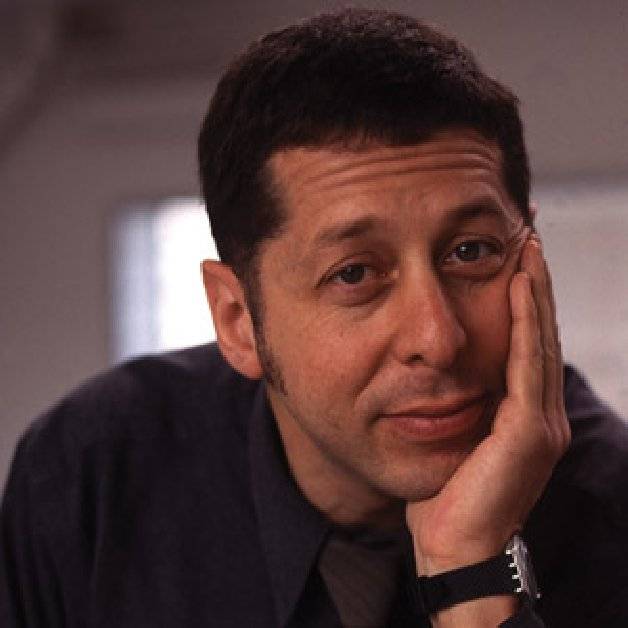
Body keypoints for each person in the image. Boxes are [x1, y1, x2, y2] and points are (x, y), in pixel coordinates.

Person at [1, 8, 627, 627]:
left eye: (471, 252)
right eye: (353, 274)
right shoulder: (93, 477)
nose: (438, 339)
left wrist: (474, 571)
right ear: (238, 319)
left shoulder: (613, 512)